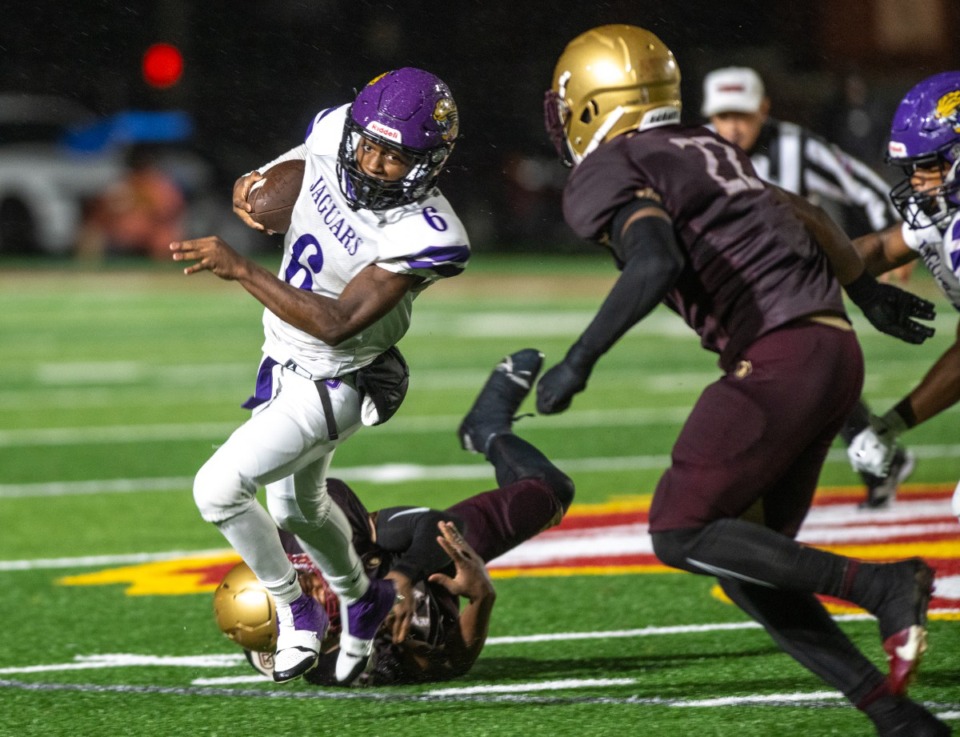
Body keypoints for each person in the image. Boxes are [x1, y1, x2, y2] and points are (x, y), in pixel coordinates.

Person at [539, 25, 946, 736]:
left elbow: (654, 260)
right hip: (830, 348)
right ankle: (894, 713)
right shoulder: (703, 143)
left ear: (590, 104)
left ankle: (881, 583)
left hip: (780, 356)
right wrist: (866, 293)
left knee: (677, 527)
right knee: (747, 561)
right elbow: (802, 211)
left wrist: (580, 358)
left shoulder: (606, 168)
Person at [170, 68, 469, 686]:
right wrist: (251, 194)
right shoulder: (337, 129)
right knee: (296, 504)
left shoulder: (427, 233)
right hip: (282, 357)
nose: (375, 161)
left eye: (395, 155)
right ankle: (363, 600)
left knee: (217, 490)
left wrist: (242, 269)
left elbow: (337, 322)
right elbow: (271, 185)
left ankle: (294, 605)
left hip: (339, 377)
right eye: (371, 144)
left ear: (428, 163)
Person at [215, 348, 575, 685]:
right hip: (437, 601)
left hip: (407, 559)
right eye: (303, 601)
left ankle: (486, 429)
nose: (314, 588)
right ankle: (489, 428)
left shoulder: (305, 538)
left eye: (300, 583)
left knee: (550, 493)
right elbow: (450, 662)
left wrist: (403, 575)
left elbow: (432, 524)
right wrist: (481, 598)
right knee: (554, 492)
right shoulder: (337, 664)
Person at [701, 65, 915, 508]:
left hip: (800, 284)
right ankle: (880, 460)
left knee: (785, 382)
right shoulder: (697, 151)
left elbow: (863, 184)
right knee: (813, 383)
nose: (734, 127)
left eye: (742, 114)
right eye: (723, 116)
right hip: (740, 290)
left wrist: (896, 242)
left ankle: (753, 492)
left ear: (763, 109)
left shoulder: (795, 147)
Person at [843, 71, 960, 525]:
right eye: (912, 170)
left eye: (929, 166)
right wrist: (789, 268)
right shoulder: (943, 215)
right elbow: (876, 250)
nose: (918, 183)